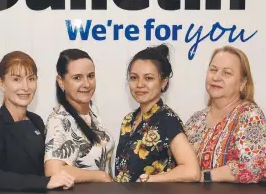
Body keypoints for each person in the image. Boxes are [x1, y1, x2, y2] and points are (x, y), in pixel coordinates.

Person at [0, 51, 75, 192]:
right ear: (1, 83)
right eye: (16, 79)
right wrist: (44, 183)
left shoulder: (36, 121)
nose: (26, 87)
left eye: (31, 79)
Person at [114, 45, 200, 183]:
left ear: (163, 82)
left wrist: (153, 179)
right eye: (134, 77)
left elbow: (192, 170)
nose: (139, 84)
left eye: (148, 78)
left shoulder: (167, 119)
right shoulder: (128, 120)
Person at [185, 46, 266, 183]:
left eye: (227, 73)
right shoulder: (195, 120)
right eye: (213, 70)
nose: (216, 77)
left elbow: (254, 166)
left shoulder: (250, 115)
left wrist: (204, 176)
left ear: (242, 83)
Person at [44, 49, 114, 182]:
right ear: (61, 81)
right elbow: (53, 170)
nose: (87, 84)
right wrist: (100, 176)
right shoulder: (59, 120)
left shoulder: (92, 111)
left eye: (91, 76)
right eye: (77, 78)